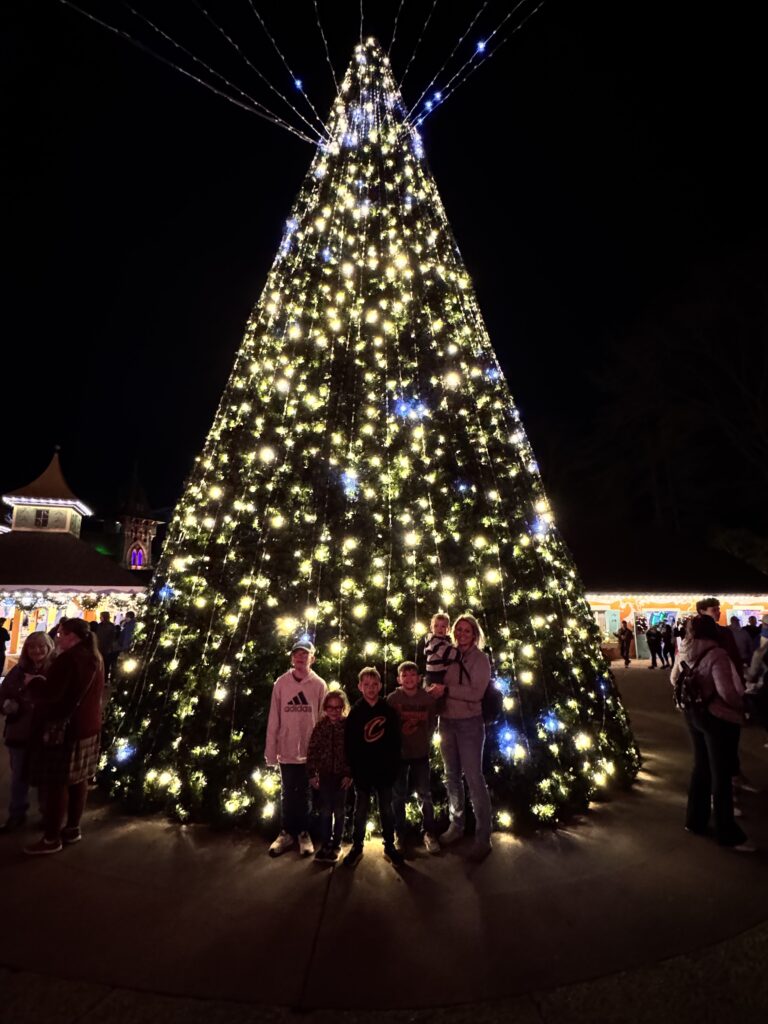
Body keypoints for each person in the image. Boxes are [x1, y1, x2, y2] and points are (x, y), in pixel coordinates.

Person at [671, 615, 754, 852]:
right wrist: (742, 706)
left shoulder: (683, 650)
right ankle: (727, 832)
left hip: (692, 715)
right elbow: (726, 692)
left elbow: (673, 678)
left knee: (701, 767)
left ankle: (695, 820)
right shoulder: (716, 654)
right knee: (721, 774)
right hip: (717, 719)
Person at [24, 617, 104, 855]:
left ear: (73, 637)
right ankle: (72, 828)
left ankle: (51, 838)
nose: (57, 637)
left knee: (57, 783)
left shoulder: (69, 660)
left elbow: (52, 694)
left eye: (61, 634)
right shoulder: (95, 657)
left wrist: (33, 683)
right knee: (79, 781)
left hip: (65, 730)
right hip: (88, 728)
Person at [430, 613, 493, 862]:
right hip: (446, 723)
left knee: (474, 778)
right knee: (451, 777)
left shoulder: (481, 659)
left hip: (469, 725)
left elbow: (476, 693)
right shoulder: (448, 655)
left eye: (467, 631)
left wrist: (446, 690)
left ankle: (483, 837)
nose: (462, 634)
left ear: (475, 635)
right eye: (459, 630)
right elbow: (436, 676)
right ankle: (456, 826)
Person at [264, 640, 327, 858]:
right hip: (287, 750)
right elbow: (274, 717)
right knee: (287, 793)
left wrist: (320, 753)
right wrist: (271, 752)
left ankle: (303, 833)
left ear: (312, 658)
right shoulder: (281, 684)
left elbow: (322, 720)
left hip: (309, 753)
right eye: (297, 655)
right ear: (292, 658)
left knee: (306, 794)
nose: (300, 658)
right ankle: (286, 832)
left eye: (305, 655)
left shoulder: (319, 685)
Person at [344, 666, 402, 868]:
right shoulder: (356, 712)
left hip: (384, 771)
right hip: (363, 772)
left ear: (380, 686)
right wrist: (352, 769)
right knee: (360, 811)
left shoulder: (388, 710)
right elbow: (350, 744)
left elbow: (396, 741)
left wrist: (393, 766)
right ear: (360, 687)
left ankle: (390, 845)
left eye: (374, 684)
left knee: (386, 809)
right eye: (366, 685)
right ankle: (357, 845)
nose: (371, 688)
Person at [0, 632, 56, 832]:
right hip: (20, 730)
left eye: (41, 646)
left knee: (45, 778)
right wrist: (7, 704)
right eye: (32, 647)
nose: (36, 651)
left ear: (50, 647)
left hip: (44, 732)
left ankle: (46, 815)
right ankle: (17, 814)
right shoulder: (19, 670)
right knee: (18, 777)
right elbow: (4, 692)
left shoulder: (57, 669)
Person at [387, 660, 439, 855]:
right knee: (398, 795)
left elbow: (433, 722)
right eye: (404, 675)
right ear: (399, 679)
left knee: (425, 793)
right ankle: (400, 833)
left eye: (412, 675)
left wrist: (425, 739)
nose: (408, 679)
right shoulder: (392, 700)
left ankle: (429, 832)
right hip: (399, 755)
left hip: (420, 754)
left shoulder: (427, 700)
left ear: (419, 679)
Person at [306, 690, 352, 863]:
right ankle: (325, 844)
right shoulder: (320, 727)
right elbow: (312, 751)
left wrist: (349, 774)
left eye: (338, 707)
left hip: (342, 778)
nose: (334, 711)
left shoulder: (347, 726)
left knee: (339, 812)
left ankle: (336, 844)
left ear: (343, 708)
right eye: (331, 707)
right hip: (325, 776)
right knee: (325, 812)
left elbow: (352, 753)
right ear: (325, 708)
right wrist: (312, 774)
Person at [423, 612, 461, 685]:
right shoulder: (434, 641)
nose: (439, 629)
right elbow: (447, 653)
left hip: (440, 672)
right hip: (435, 675)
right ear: (431, 628)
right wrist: (459, 654)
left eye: (443, 626)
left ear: (448, 629)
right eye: (436, 626)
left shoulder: (443, 641)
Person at [95, 612, 119, 683]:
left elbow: (111, 638)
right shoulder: (100, 625)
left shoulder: (111, 626)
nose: (100, 618)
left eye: (101, 616)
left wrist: (109, 648)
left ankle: (104, 680)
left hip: (106, 649)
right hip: (99, 648)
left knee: (105, 665)